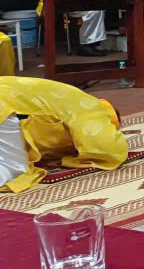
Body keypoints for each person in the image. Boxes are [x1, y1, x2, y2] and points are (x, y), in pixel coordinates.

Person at [0, 76, 129, 193]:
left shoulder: (68, 101)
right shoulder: (93, 108)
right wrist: (69, 160)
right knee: (15, 170)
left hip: (5, 99)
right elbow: (110, 151)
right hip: (3, 104)